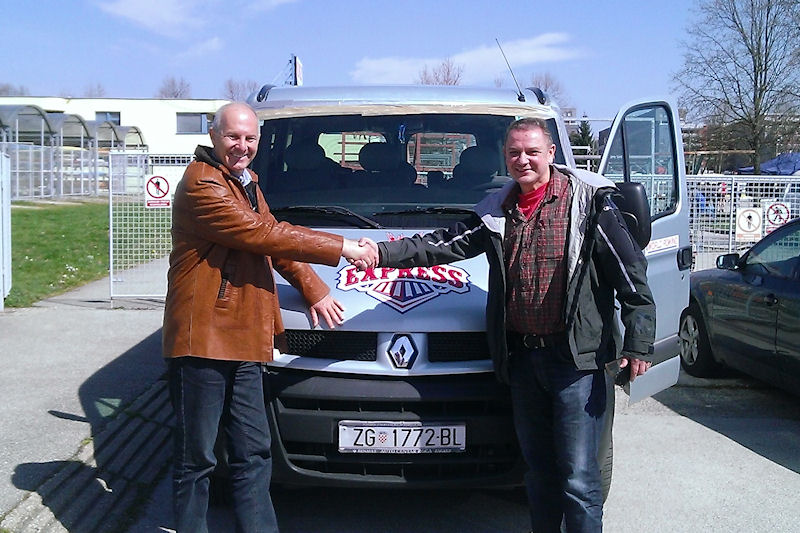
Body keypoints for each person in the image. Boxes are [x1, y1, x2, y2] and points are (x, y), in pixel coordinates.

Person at [355, 118, 655, 532]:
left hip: (577, 362)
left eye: (532, 151)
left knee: (579, 480)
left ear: (551, 153)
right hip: (524, 360)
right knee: (539, 474)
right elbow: (441, 245)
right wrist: (381, 253)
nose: (523, 160)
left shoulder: (588, 204)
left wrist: (639, 342)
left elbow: (631, 273)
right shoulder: (498, 210)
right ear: (505, 158)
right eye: (514, 153)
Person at [162, 102, 372, 533]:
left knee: (254, 452)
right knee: (197, 458)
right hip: (203, 339)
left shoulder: (246, 182)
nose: (242, 146)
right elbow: (263, 234)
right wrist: (343, 248)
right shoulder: (203, 184)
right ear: (213, 136)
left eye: (250, 138)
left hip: (244, 335)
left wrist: (313, 288)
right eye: (233, 136)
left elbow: (273, 239)